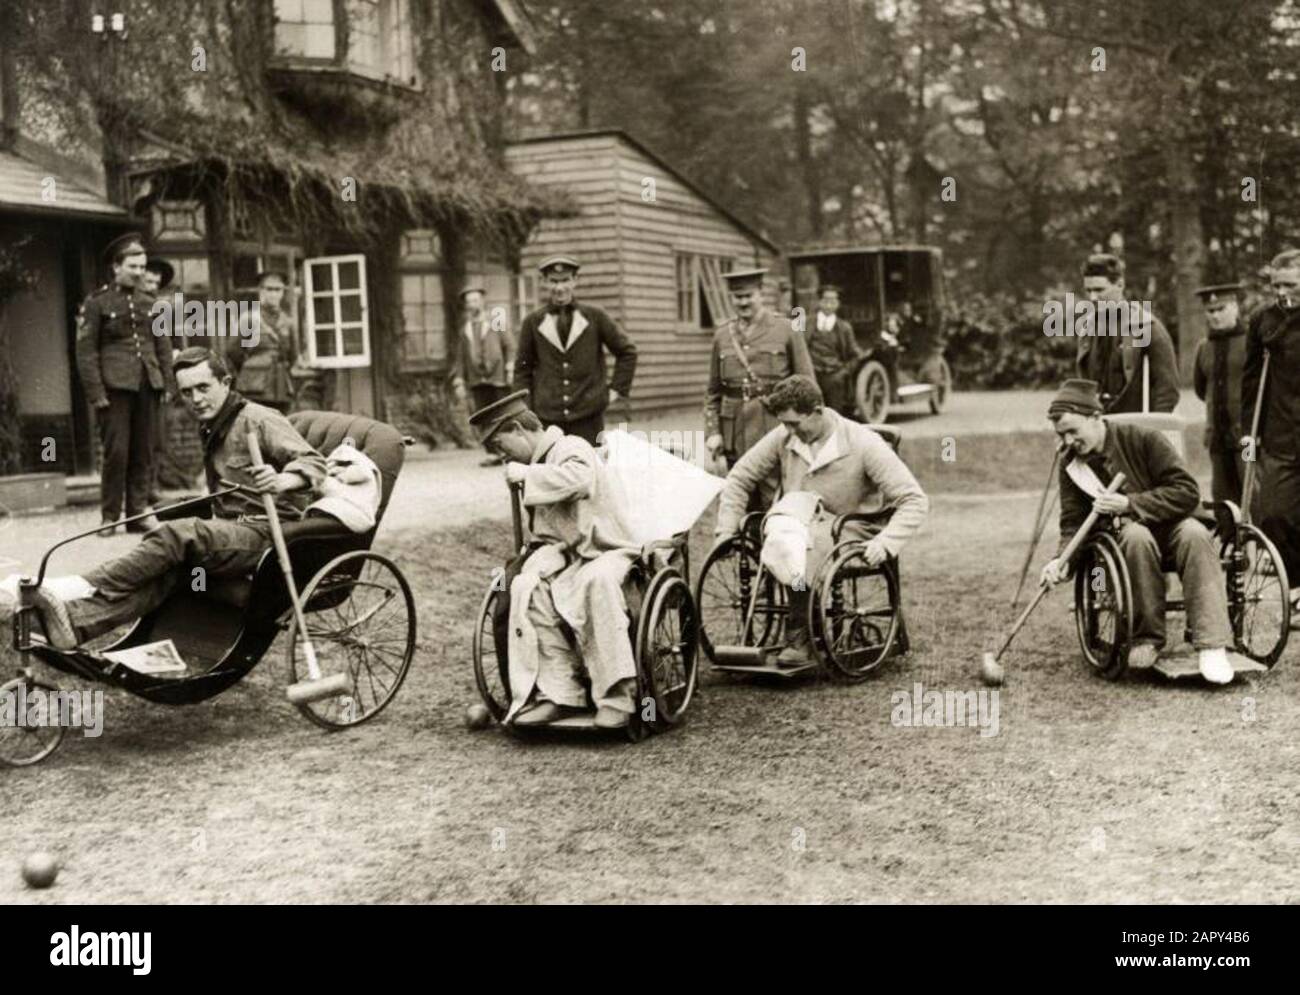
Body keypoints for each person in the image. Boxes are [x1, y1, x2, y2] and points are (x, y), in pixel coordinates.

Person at [30, 348, 326, 649]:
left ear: (226, 382)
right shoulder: (212, 423)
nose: (196, 399)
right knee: (168, 570)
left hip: (269, 535)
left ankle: (80, 586)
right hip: (232, 532)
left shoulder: (259, 419)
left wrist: (282, 480)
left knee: (177, 534)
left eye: (203, 388)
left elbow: (315, 463)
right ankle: (74, 624)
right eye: (187, 392)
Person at [713, 375, 929, 666]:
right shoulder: (785, 436)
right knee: (787, 538)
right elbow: (740, 477)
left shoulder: (863, 443)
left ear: (816, 411)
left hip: (850, 526)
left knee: (801, 548)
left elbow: (914, 499)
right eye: (784, 423)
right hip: (798, 522)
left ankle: (800, 634)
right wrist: (726, 530)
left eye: (794, 423)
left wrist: (886, 541)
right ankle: (803, 622)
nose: (788, 431)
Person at [1040, 379, 1234, 683]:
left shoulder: (1144, 439)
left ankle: (1212, 645)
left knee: (1196, 535)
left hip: (1174, 526)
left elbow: (1186, 492)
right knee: (1136, 537)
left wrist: (1129, 503)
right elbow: (1073, 524)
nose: (1067, 441)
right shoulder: (1072, 466)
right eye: (1060, 434)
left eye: (1072, 431)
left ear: (1095, 418)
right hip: (1126, 541)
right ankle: (1147, 638)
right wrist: (1060, 562)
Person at [470, 390, 642, 728]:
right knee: (526, 585)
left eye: (502, 446)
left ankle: (617, 696)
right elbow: (550, 531)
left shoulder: (570, 447)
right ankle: (559, 693)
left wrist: (528, 477)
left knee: (597, 582)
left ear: (519, 429)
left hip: (610, 550)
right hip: (574, 555)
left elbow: (579, 481)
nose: (503, 457)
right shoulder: (538, 460)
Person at [76, 232, 176, 536]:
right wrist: (96, 394)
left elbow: (163, 347)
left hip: (149, 384)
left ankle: (136, 513)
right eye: (133, 266)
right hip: (114, 388)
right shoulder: (97, 303)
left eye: (142, 266)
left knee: (144, 451)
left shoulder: (153, 303)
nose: (139, 272)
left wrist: (169, 385)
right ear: (116, 267)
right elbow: (86, 352)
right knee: (117, 452)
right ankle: (109, 516)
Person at [513, 256, 637, 446]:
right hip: (548, 417)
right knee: (550, 470)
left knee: (589, 468)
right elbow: (522, 369)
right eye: (554, 281)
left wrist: (614, 391)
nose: (559, 287)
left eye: (565, 280)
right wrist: (526, 408)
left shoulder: (595, 316)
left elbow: (627, 352)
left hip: (588, 417)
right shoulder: (532, 322)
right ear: (544, 283)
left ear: (575, 281)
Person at [704, 268, 814, 471]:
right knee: (738, 492)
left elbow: (807, 386)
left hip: (775, 430)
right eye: (737, 297)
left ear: (760, 294)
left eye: (748, 296)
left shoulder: (787, 329)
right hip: (734, 432)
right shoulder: (722, 336)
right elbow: (713, 392)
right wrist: (713, 432)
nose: (743, 302)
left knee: (774, 494)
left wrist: (805, 430)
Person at [1241, 248, 1300, 626]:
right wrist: (1249, 431)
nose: (1282, 292)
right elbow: (1249, 381)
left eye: (1290, 284)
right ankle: (1296, 590)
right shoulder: (1263, 320)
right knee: (1275, 512)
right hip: (1279, 433)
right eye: (1276, 285)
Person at [1075, 253, 1179, 413]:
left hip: (1136, 426)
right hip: (1098, 425)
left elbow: (1167, 390)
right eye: (1088, 290)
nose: (1093, 297)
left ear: (1120, 285)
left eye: (1099, 290)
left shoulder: (1147, 327)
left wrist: (1152, 431)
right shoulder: (1087, 329)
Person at [1191, 282, 1249, 508]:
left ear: (1235, 307)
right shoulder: (1203, 348)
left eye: (1221, 309)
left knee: (1252, 493)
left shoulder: (1252, 342)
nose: (1215, 316)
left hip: (1248, 439)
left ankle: (1258, 542)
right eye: (1210, 311)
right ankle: (1231, 542)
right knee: (1223, 501)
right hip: (1217, 439)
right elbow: (1200, 389)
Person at [451, 283, 515, 466]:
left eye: (476, 299)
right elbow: (461, 356)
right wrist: (459, 380)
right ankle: (492, 453)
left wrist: (510, 368)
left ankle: (509, 451)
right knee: (482, 415)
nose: (473, 304)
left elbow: (509, 345)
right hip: (477, 378)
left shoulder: (496, 317)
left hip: (498, 377)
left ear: (483, 301)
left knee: (503, 414)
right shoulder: (466, 327)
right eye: (469, 301)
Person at [227, 270, 297, 413]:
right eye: (269, 289)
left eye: (278, 290)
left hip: (281, 387)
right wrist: (250, 369)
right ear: (260, 291)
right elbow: (233, 351)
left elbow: (293, 355)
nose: (273, 294)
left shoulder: (288, 322)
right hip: (255, 386)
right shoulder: (249, 319)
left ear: (283, 293)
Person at [806, 284, 860, 415]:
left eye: (833, 301)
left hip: (834, 379)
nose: (829, 305)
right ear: (819, 302)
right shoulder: (805, 322)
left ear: (838, 303)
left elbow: (855, 355)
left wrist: (842, 373)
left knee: (834, 416)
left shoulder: (844, 328)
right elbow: (795, 347)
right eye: (826, 301)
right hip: (811, 377)